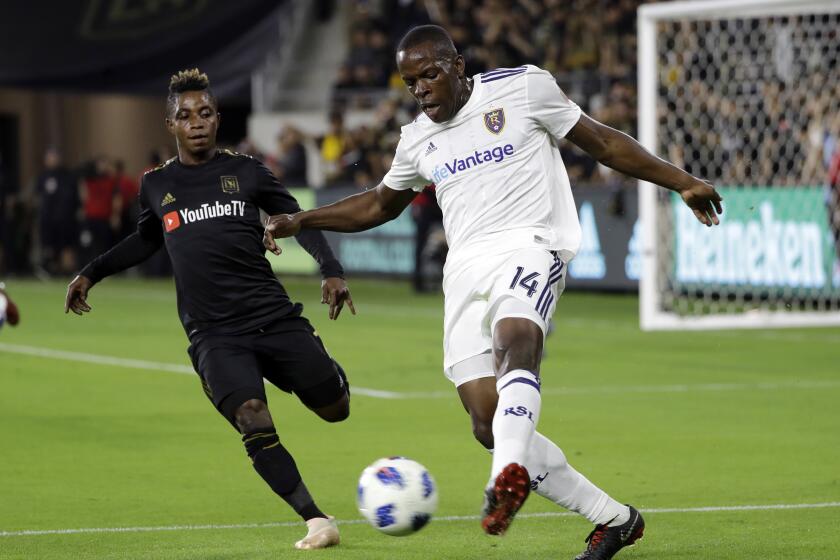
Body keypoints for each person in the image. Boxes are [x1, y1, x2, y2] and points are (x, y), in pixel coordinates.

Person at [265, 26, 723, 560]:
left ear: (458, 65)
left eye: (429, 74)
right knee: (488, 420)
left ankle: (505, 477)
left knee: (516, 339)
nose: (420, 88)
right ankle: (615, 520)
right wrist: (302, 219)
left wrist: (680, 181)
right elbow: (378, 205)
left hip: (531, 244)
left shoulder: (524, 88)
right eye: (410, 81)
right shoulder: (417, 138)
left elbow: (602, 142)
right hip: (463, 270)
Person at [65, 69, 354, 551]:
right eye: (185, 115)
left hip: (272, 316)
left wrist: (330, 269)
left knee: (335, 409)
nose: (196, 122)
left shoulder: (247, 172)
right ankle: (316, 519)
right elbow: (145, 240)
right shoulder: (156, 185)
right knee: (251, 413)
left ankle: (325, 370)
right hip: (214, 333)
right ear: (170, 125)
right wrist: (90, 272)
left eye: (204, 113)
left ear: (217, 119)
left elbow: (299, 221)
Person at [34, 148, 80, 275]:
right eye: (49, 157)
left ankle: (68, 271)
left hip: (65, 218)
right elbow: (38, 196)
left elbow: (74, 197)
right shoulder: (43, 176)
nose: (52, 160)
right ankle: (50, 270)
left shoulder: (68, 176)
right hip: (48, 218)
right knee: (49, 246)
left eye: (54, 157)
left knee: (66, 246)